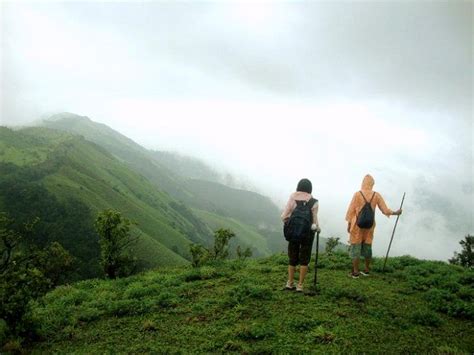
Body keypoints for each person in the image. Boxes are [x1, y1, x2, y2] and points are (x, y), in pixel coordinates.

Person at [345, 174, 402, 278]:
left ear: (363, 183)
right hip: (369, 226)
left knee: (355, 247)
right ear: (372, 184)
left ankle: (356, 272)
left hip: (357, 226)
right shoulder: (376, 195)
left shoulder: (357, 194)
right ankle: (367, 270)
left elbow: (351, 211)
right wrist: (396, 212)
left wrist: (349, 225)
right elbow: (385, 210)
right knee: (367, 246)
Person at [281, 178, 320, 292]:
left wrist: (290, 224)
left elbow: (284, 216)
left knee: (292, 258)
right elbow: (314, 220)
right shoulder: (314, 201)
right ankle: (300, 285)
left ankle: (290, 283)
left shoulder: (293, 197)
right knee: (304, 259)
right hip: (308, 233)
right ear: (310, 189)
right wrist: (317, 228)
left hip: (293, 232)